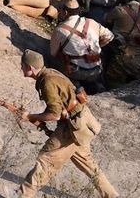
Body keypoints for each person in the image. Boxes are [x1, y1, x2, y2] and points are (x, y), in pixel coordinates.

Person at [14, 50, 118, 198]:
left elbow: (54, 114)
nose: (21, 69)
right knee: (88, 164)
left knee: (46, 160)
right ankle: (112, 195)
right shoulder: (50, 73)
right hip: (81, 121)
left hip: (72, 128)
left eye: (22, 66)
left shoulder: (47, 82)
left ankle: (21, 195)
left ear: (30, 68)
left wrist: (29, 116)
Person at [50, 0, 115, 94]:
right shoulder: (91, 22)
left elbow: (53, 53)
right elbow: (110, 36)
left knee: (54, 62)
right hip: (97, 69)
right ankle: (98, 85)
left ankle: (75, 86)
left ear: (65, 12)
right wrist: (97, 46)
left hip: (76, 72)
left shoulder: (60, 30)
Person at [103, 0, 140, 86]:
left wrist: (117, 2)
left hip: (122, 59)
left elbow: (106, 19)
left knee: (112, 82)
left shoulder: (119, 10)